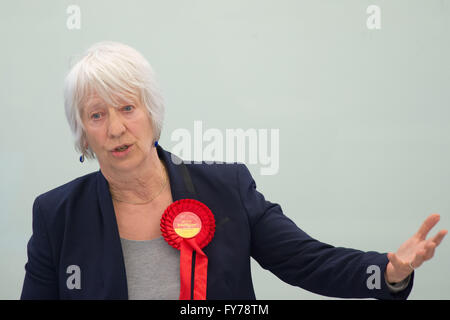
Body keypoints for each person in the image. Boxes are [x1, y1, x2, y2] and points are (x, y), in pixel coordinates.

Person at [20, 41, 447, 300]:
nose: (115, 128)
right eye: (96, 116)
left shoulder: (227, 188)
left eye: (127, 108)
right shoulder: (57, 214)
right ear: (83, 135)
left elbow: (305, 261)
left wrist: (387, 272)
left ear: (152, 113)